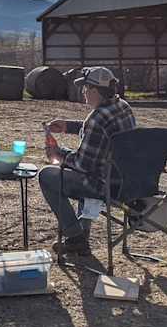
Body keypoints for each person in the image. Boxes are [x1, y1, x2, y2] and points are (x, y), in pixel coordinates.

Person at [38, 66, 137, 258]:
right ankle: (81, 233)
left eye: (85, 88)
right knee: (86, 172)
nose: (83, 92)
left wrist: (58, 153)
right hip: (129, 181)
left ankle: (76, 238)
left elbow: (83, 165)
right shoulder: (123, 106)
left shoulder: (97, 118)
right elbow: (101, 133)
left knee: (46, 176)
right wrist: (68, 126)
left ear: (95, 90)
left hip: (106, 186)